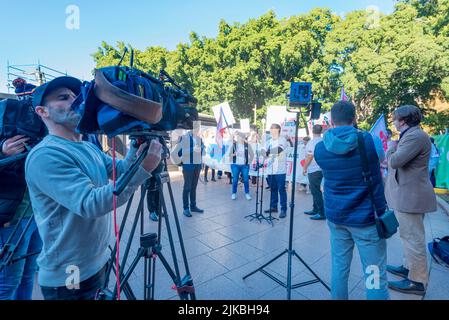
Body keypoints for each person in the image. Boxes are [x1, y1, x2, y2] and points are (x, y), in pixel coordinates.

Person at [25, 76, 162, 300]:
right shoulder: (45, 155)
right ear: (43, 112)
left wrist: (135, 147)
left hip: (99, 261)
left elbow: (121, 169)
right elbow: (91, 203)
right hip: (70, 274)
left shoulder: (88, 147)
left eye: (75, 96)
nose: (74, 100)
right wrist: (143, 169)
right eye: (63, 98)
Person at [314, 101, 389, 300]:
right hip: (367, 218)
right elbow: (381, 159)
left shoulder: (320, 148)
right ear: (355, 118)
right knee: (374, 273)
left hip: (337, 217)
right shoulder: (369, 140)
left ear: (331, 120)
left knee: (339, 268)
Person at [385, 105, 437, 296]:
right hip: (408, 196)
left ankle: (417, 281)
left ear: (403, 121)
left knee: (413, 239)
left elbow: (395, 161)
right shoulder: (412, 135)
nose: (393, 122)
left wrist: (390, 150)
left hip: (412, 197)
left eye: (395, 119)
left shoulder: (415, 136)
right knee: (408, 236)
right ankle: (409, 268)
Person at [0, 135, 42, 300]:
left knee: (27, 275)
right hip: (12, 218)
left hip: (36, 214)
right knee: (8, 283)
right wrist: (2, 150)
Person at [174, 125, 205, 218]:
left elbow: (203, 151)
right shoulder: (184, 138)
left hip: (197, 165)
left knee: (194, 187)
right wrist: (193, 149)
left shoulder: (199, 138)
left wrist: (202, 148)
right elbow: (179, 152)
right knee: (187, 187)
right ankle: (186, 209)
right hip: (188, 166)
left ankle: (193, 206)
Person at [263, 124, 288, 219]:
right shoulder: (268, 141)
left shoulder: (282, 140)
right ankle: (274, 207)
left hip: (280, 170)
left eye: (274, 128)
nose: (272, 130)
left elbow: (278, 149)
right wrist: (265, 153)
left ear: (278, 130)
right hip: (270, 169)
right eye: (271, 128)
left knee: (281, 189)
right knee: (273, 189)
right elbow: (262, 152)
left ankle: (283, 209)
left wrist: (267, 152)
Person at [303, 125, 325, 220]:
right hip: (322, 168)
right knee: (315, 190)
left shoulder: (311, 143)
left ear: (312, 131)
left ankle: (321, 212)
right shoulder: (323, 141)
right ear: (321, 131)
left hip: (314, 169)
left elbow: (309, 156)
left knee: (315, 191)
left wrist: (304, 167)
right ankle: (315, 209)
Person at [229, 131, 254, 201]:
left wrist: (248, 161)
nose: (239, 138)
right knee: (235, 179)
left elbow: (252, 155)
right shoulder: (234, 145)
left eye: (240, 137)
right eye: (238, 137)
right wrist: (233, 155)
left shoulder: (247, 145)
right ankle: (233, 193)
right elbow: (229, 155)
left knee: (246, 179)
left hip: (244, 165)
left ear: (243, 138)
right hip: (235, 165)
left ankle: (247, 193)